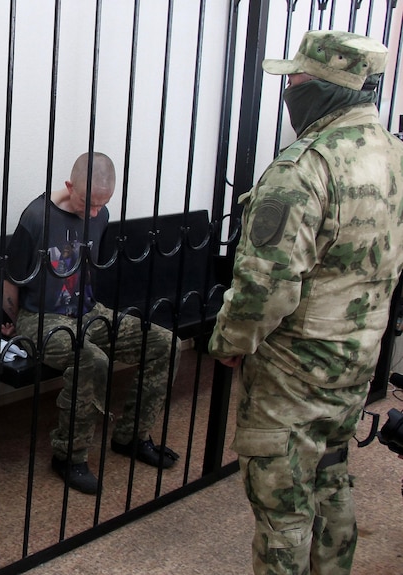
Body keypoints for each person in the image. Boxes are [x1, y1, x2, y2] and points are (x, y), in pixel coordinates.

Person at [207, 30, 403, 575]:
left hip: (291, 378)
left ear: (327, 88)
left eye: (295, 78)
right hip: (356, 364)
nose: (288, 86)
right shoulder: (395, 156)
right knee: (332, 479)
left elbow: (264, 287)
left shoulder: (302, 169)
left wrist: (228, 342)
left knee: (283, 513)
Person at [1, 152, 181, 495]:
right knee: (91, 360)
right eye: (88, 202)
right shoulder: (37, 217)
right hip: (40, 317)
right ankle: (70, 455)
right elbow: (7, 277)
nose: (95, 212)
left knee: (165, 343)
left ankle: (132, 435)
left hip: (88, 310)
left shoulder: (101, 215)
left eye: (103, 204)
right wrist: (10, 322)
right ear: (70, 187)